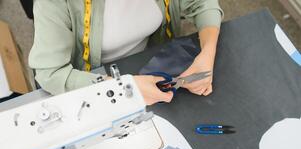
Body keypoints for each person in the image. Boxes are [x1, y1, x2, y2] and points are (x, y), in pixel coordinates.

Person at [29, 0, 223, 105]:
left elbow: (202, 4)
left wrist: (207, 52)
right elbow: (50, 74)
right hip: (92, 79)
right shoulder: (53, 4)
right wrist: (122, 87)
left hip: (148, 61)